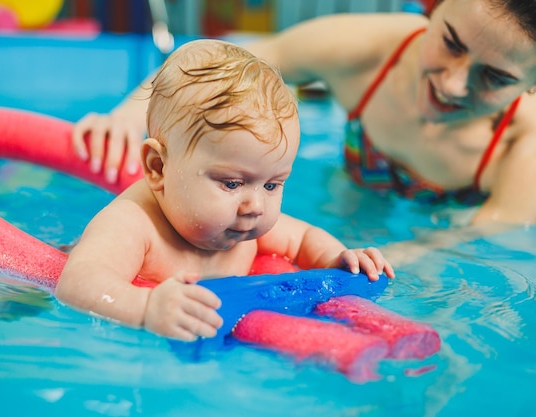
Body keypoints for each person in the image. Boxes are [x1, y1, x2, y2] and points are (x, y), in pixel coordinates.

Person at [72, 0, 536, 225]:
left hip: (434, 231)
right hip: (349, 199)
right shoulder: (372, 50)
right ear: (431, 10)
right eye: (450, 42)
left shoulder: (525, 145)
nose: (453, 83)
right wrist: (127, 117)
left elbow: (473, 248)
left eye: (495, 78)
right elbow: (219, 58)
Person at [57, 39, 395, 342]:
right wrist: (145, 307)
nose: (255, 205)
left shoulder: (245, 225)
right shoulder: (133, 224)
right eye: (232, 183)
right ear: (159, 167)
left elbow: (304, 238)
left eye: (272, 184)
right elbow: (78, 281)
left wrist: (339, 259)